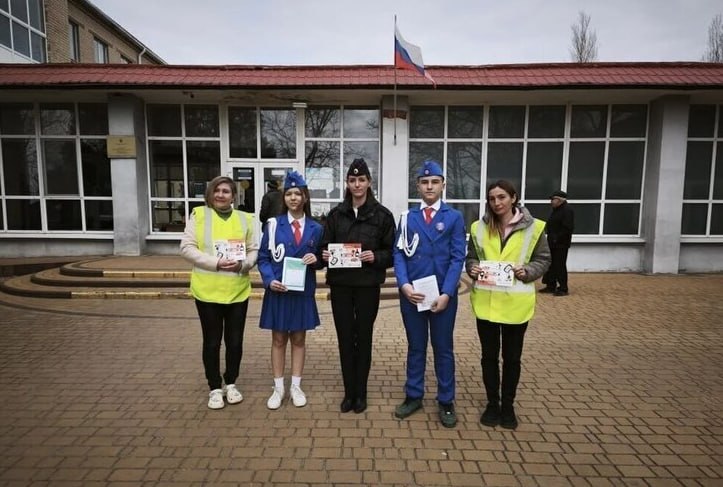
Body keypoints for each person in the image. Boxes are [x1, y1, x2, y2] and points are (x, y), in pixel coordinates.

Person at [466, 180, 550, 429]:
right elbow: (472, 258)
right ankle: (493, 404)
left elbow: (543, 259)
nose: (497, 203)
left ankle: (508, 406)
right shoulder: (478, 227)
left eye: (502, 197)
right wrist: (472, 268)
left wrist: (528, 271)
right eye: (492, 198)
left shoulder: (535, 227)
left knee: (512, 359)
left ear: (513, 198)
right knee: (489, 358)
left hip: (516, 305)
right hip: (486, 304)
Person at [392, 160, 466, 428]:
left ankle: (446, 400)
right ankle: (414, 395)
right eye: (425, 182)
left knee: (443, 348)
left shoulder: (454, 217)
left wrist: (447, 293)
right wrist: (404, 285)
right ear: (418, 186)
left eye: (435, 182)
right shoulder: (407, 218)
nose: (430, 186)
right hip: (413, 295)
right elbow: (398, 254)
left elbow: (458, 258)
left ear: (443, 185)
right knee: (416, 346)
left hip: (442, 296)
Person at [321, 158, 396, 414]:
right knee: (345, 338)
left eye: (361, 180)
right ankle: (349, 393)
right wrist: (324, 255)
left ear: (369, 182)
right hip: (341, 285)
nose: (357, 185)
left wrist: (376, 256)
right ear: (347, 183)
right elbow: (323, 246)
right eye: (352, 180)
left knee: (363, 338)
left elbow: (392, 252)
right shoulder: (335, 215)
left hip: (367, 286)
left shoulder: (382, 215)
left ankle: (361, 393)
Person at [180, 176, 258, 410]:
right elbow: (186, 248)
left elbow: (254, 250)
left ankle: (231, 383)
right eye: (217, 190)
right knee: (212, 342)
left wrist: (243, 264)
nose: (220, 195)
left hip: (237, 290)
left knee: (234, 342)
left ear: (233, 196)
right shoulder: (199, 215)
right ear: (210, 193)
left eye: (226, 191)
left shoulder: (245, 218)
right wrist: (215, 263)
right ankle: (214, 387)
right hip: (207, 291)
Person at [257, 170, 323, 410]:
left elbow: (321, 258)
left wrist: (316, 259)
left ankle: (296, 386)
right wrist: (269, 279)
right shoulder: (273, 225)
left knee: (298, 339)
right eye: (289, 194)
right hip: (278, 290)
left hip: (302, 292)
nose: (293, 198)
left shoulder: (316, 228)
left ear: (305, 197)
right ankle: (278, 388)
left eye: (298, 193)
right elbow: (263, 257)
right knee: (278, 339)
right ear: (283, 197)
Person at [541, 190, 575, 296]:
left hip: (561, 244)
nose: (551, 201)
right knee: (551, 264)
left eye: (553, 199)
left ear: (560, 200)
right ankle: (551, 285)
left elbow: (567, 228)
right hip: (552, 242)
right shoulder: (556, 210)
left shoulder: (567, 210)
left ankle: (563, 288)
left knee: (559, 265)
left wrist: (557, 238)